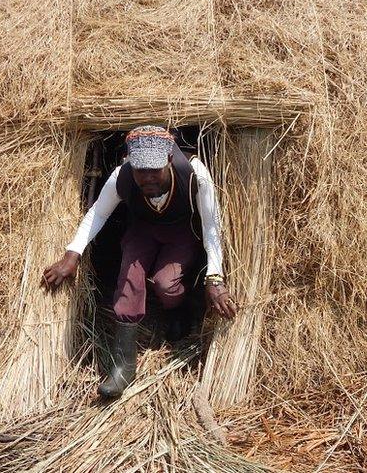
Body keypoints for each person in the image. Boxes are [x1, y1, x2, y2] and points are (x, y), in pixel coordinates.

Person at [41, 125, 235, 399]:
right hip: (142, 229)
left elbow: (211, 227)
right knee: (129, 277)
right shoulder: (122, 175)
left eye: (154, 171)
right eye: (140, 171)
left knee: (166, 285)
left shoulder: (194, 175)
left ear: (169, 160)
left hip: (181, 232)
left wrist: (214, 277)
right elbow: (97, 213)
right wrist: (72, 255)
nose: (147, 179)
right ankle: (124, 366)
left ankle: (176, 311)